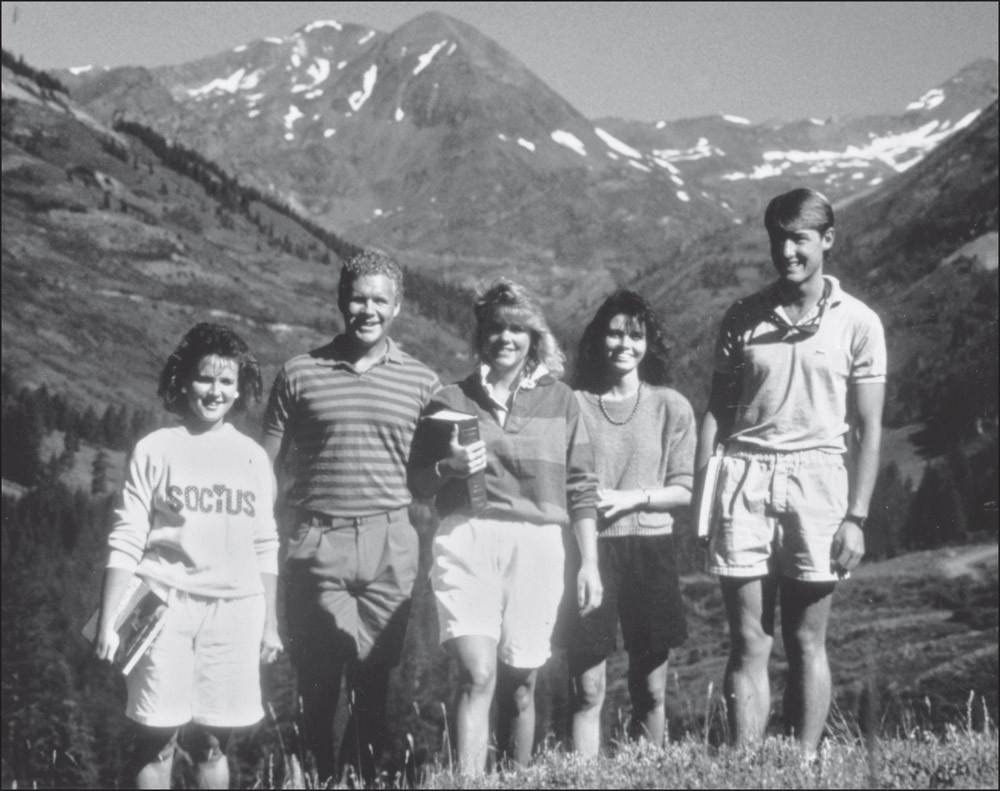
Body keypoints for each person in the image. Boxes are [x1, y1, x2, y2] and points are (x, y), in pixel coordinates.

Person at [696, 188, 886, 754]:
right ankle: (746, 764)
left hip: (819, 482)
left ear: (827, 240)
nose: (787, 251)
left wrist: (857, 516)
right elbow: (717, 411)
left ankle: (804, 764)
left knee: (807, 640)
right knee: (749, 640)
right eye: (778, 238)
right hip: (745, 479)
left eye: (799, 238)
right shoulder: (743, 317)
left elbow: (871, 426)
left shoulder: (860, 323)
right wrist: (705, 500)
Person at [410, 278, 602, 776]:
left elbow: (582, 489)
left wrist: (591, 567)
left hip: (537, 545)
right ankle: (469, 783)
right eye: (495, 327)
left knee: (521, 685)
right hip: (466, 537)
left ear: (534, 338)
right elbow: (416, 480)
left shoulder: (562, 401)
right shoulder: (450, 398)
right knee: (477, 674)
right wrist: (446, 469)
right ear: (481, 335)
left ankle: (515, 780)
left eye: (518, 329)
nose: (505, 338)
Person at [262, 251, 441, 783]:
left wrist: (448, 468)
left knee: (373, 687)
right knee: (315, 686)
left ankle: (355, 780)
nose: (368, 310)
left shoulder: (421, 382)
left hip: (391, 541)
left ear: (398, 307)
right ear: (342, 300)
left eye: (379, 300)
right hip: (318, 541)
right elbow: (260, 468)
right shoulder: (300, 373)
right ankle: (315, 778)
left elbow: (424, 481)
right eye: (358, 298)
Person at [95, 322, 282, 790]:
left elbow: (265, 542)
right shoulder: (156, 449)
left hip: (235, 612)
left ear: (241, 389)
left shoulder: (252, 457)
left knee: (211, 744)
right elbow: (127, 534)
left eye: (226, 381)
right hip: (162, 608)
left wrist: (271, 623)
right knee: (154, 739)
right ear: (183, 381)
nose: (214, 391)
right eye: (205, 378)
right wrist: (108, 617)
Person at [565, 290, 696, 755]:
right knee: (587, 692)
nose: (624, 344)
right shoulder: (573, 404)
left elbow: (684, 489)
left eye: (635, 335)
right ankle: (580, 780)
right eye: (615, 333)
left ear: (648, 343)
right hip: (589, 551)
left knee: (652, 691)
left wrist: (630, 499)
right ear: (598, 338)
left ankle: (649, 772)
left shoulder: (671, 407)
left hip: (650, 549)